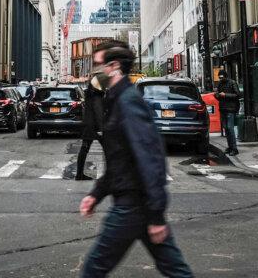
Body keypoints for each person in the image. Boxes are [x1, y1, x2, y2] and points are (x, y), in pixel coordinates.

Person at [79, 42, 193, 277]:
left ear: (114, 66)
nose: (95, 70)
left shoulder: (128, 101)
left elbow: (150, 157)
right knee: (175, 269)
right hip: (138, 204)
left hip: (132, 206)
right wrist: (96, 194)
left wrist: (156, 215)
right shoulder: (117, 98)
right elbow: (121, 159)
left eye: (99, 64)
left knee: (93, 269)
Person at [76, 76, 104, 181]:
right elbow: (98, 112)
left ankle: (79, 174)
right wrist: (100, 129)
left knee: (84, 148)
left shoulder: (89, 94)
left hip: (88, 125)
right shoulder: (97, 95)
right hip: (94, 127)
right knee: (109, 149)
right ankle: (113, 175)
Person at [215, 74, 240, 156]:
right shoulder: (220, 84)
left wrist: (225, 95)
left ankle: (234, 148)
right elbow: (218, 95)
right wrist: (217, 95)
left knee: (230, 128)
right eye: (220, 77)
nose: (221, 79)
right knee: (226, 128)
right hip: (223, 108)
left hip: (231, 109)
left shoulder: (232, 82)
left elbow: (237, 94)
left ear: (226, 76)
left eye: (222, 77)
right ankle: (230, 147)